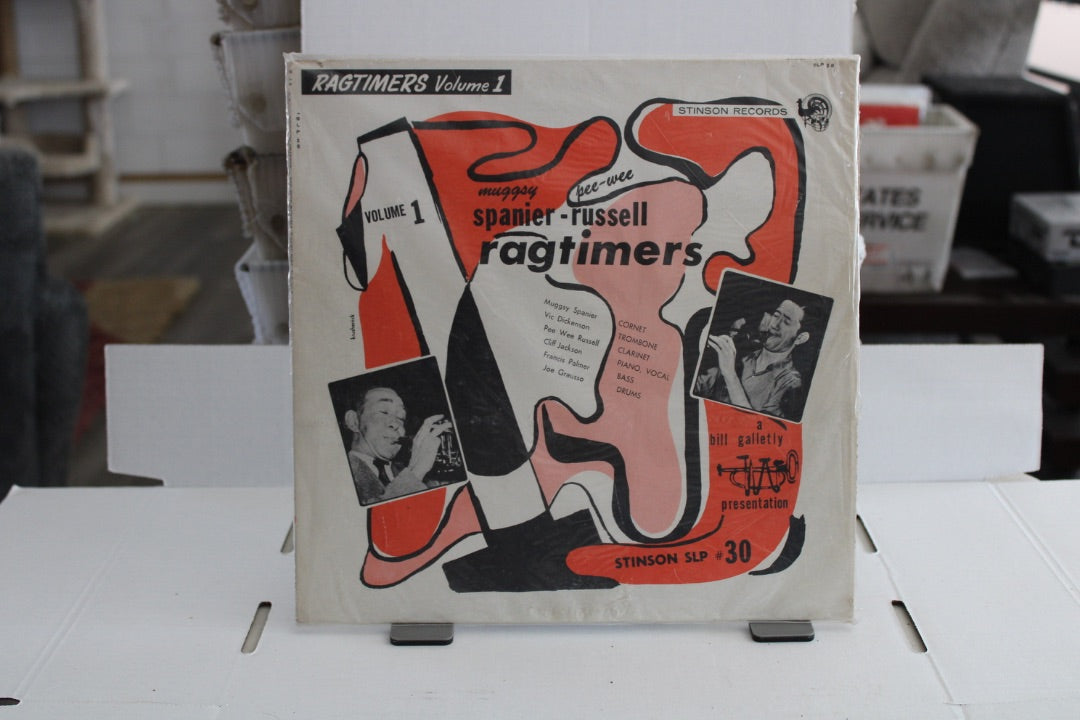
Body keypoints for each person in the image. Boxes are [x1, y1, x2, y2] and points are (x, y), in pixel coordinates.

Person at [695, 299, 809, 420]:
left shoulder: (790, 382)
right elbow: (698, 387)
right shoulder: (742, 356)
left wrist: (730, 375)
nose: (774, 325)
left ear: (800, 338)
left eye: (786, 322)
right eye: (776, 316)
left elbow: (760, 426)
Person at [344, 386, 454, 505]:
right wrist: (415, 472)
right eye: (384, 412)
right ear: (354, 421)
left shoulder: (427, 480)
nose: (396, 424)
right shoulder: (339, 478)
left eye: (401, 418)